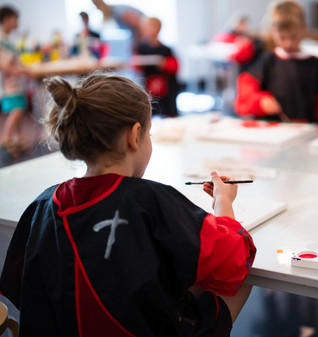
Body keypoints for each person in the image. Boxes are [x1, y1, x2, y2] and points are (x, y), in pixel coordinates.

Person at [0, 72, 256, 336]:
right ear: (135, 136)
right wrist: (223, 201)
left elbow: (20, 286)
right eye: (149, 134)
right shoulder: (147, 200)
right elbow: (235, 257)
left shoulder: (43, 203)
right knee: (236, 281)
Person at [234, 1, 318, 125]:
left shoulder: (315, 65)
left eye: (294, 37)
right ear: (273, 31)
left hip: (306, 135)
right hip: (273, 133)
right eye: (283, 38)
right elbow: (243, 100)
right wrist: (261, 102)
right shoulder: (267, 61)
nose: (288, 43)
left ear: (304, 28)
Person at [0, 6, 31, 156]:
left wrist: (24, 70)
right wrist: (19, 71)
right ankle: (6, 139)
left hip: (15, 82)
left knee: (20, 106)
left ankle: (17, 140)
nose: (17, 22)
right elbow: (3, 64)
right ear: (6, 19)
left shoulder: (8, 39)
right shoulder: (0, 38)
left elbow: (15, 60)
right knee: (16, 110)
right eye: (15, 19)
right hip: (8, 84)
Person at [135, 17, 179, 117]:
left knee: (168, 110)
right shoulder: (142, 48)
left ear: (158, 29)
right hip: (149, 84)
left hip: (166, 86)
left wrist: (164, 64)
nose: (146, 30)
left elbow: (174, 67)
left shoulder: (166, 49)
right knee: (151, 109)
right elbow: (136, 64)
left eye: (149, 27)